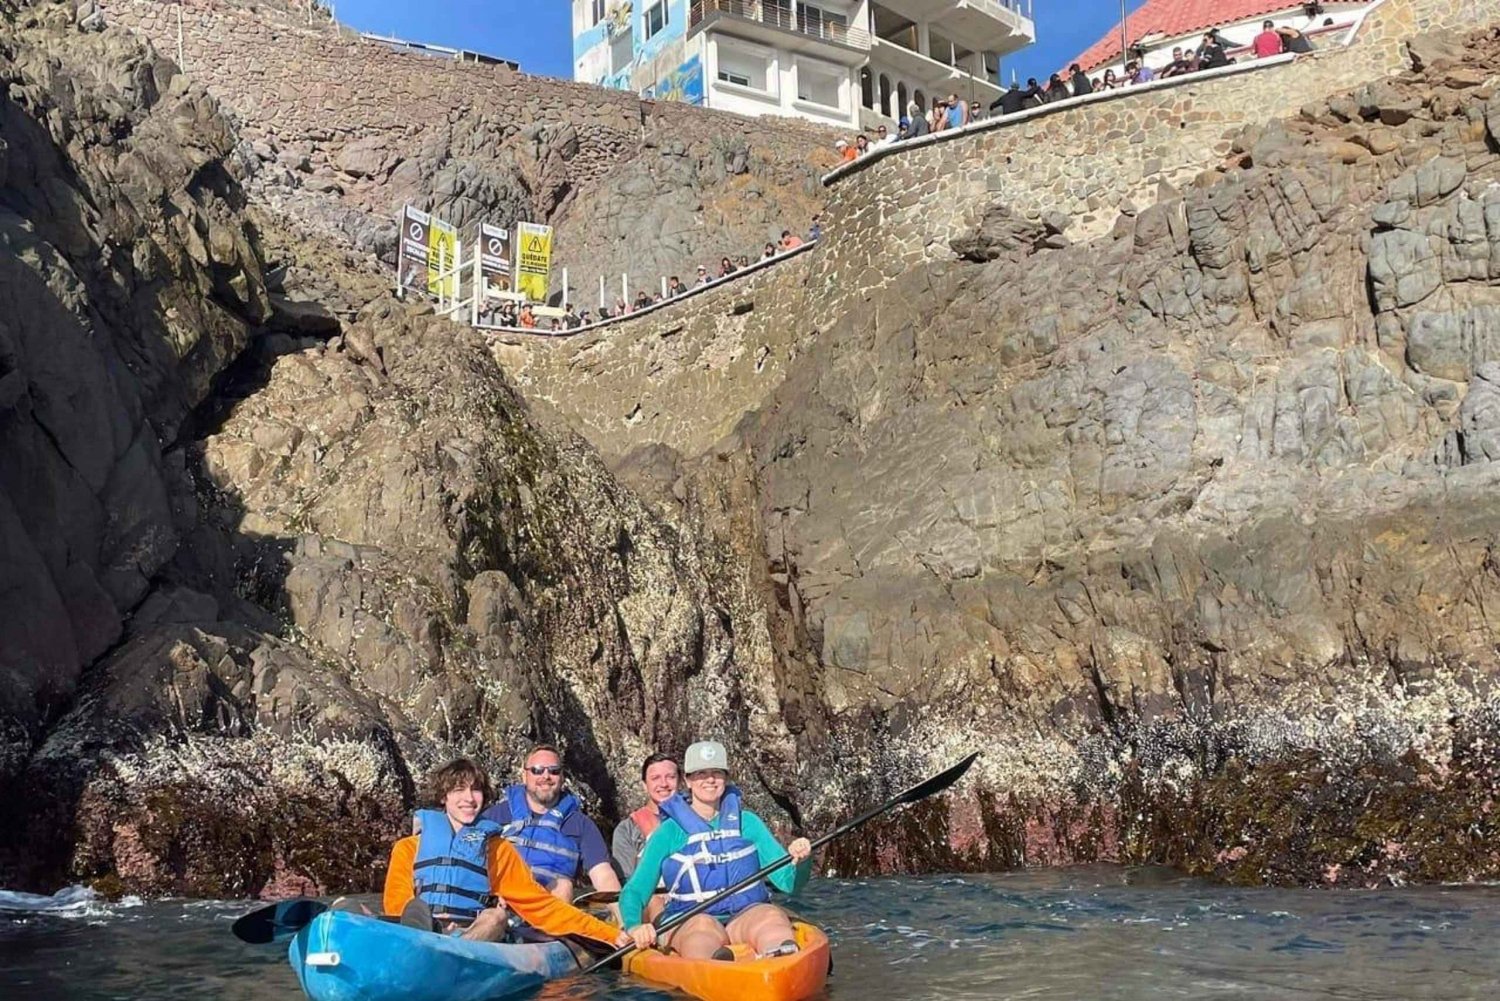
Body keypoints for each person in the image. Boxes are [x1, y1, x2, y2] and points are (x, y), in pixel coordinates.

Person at [383, 758, 630, 948]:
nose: (469, 798)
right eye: (459, 790)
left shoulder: (497, 849)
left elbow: (542, 907)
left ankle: (451, 954)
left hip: (470, 938)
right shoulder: (408, 848)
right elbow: (397, 906)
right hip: (420, 933)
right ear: (443, 797)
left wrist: (609, 934)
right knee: (411, 912)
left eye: (476, 790)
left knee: (496, 917)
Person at [621, 741, 813, 962]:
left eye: (717, 773)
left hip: (745, 914)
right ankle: (714, 970)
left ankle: (781, 959)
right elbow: (635, 890)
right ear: (688, 780)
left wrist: (802, 861)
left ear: (726, 778)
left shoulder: (748, 823)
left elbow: (789, 883)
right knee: (701, 930)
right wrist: (634, 926)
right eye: (701, 773)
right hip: (689, 919)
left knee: (769, 916)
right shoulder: (669, 832)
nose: (710, 779)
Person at [479, 744, 622, 903]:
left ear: (562, 778)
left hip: (550, 908)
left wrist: (627, 923)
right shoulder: (495, 815)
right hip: (499, 901)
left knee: (563, 886)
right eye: (537, 770)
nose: (546, 776)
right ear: (524, 775)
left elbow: (603, 875)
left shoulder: (581, 825)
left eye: (554, 771)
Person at [612, 752, 681, 881]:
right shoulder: (627, 830)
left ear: (681, 781)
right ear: (644, 785)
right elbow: (625, 880)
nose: (664, 784)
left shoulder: (698, 819)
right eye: (655, 778)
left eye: (671, 777)